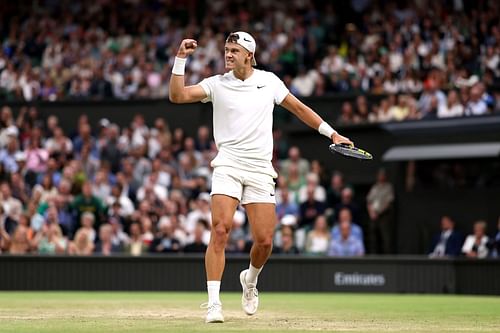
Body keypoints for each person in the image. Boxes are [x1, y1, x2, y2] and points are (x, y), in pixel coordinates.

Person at [169, 31, 352, 323]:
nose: (228, 54)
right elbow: (177, 95)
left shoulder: (269, 82)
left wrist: (332, 133)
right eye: (226, 49)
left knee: (265, 241)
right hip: (227, 164)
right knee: (220, 229)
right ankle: (214, 304)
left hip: (260, 170)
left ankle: (250, 280)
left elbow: (300, 109)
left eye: (234, 50)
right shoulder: (216, 84)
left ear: (249, 55)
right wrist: (180, 59)